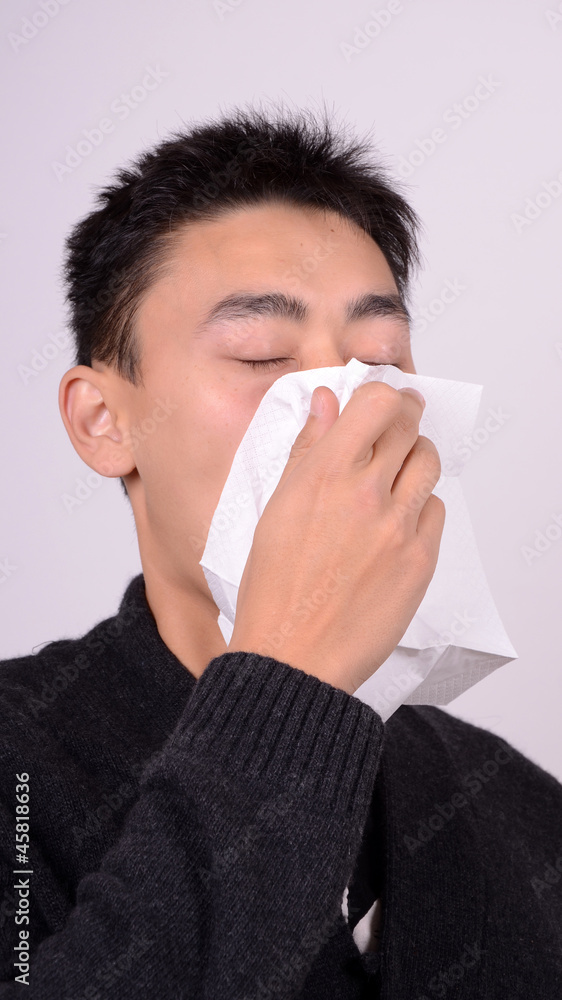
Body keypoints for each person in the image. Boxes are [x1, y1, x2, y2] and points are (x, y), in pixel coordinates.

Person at [1, 105, 561, 999]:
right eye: (262, 356)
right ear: (103, 421)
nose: (342, 407)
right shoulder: (22, 766)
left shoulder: (514, 804)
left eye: (378, 359)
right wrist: (288, 685)